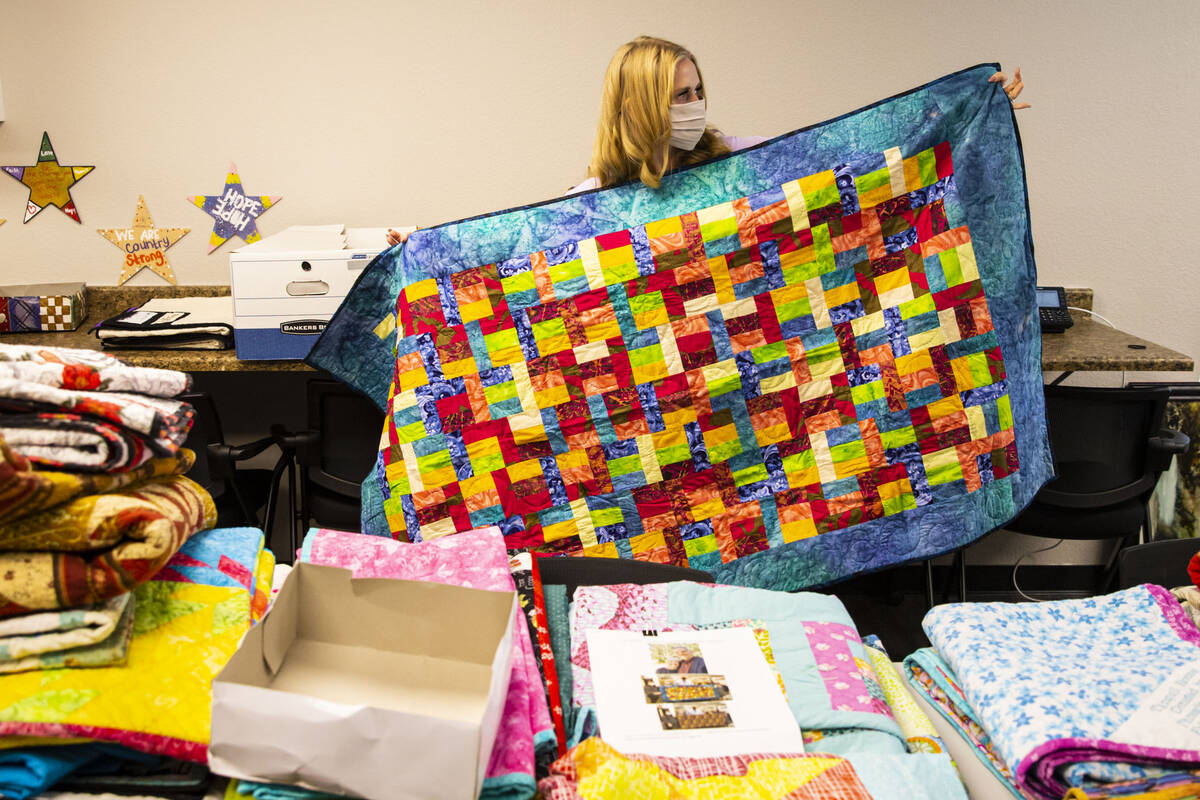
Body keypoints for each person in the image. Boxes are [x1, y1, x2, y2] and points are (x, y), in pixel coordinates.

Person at [384, 38, 1028, 246]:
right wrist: (426, 246)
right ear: (638, 105)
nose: (695, 107)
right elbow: (516, 255)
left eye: (697, 92)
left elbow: (853, 162)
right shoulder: (592, 202)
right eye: (678, 96)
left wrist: (964, 113)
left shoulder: (744, 161)